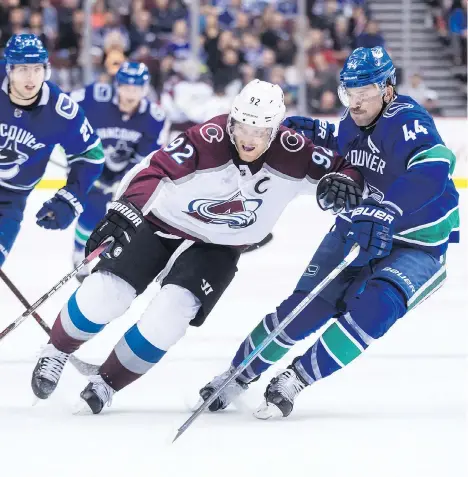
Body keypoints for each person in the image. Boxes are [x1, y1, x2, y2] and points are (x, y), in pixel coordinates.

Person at [30, 79, 363, 414]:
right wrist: (127, 207)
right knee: (107, 292)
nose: (248, 138)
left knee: (171, 314)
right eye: (243, 127)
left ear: (275, 131)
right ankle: (56, 350)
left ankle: (107, 382)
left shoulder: (296, 151)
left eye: (260, 131)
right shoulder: (209, 137)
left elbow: (345, 168)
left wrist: (347, 181)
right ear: (232, 119)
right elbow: (154, 168)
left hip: (220, 246)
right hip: (162, 223)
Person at [199, 46, 459, 419]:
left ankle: (296, 379)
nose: (354, 102)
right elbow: (347, 140)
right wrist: (319, 129)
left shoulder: (407, 120)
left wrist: (387, 209)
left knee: (376, 308)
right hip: (360, 226)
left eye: (364, 94)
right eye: (349, 93)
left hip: (418, 241)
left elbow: (434, 167)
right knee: (303, 307)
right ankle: (238, 375)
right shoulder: (356, 117)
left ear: (388, 90)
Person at [0, 33, 104, 267]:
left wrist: (70, 198)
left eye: (37, 69)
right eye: (23, 69)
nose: (31, 77)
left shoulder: (60, 109)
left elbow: (92, 154)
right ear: (9, 69)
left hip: (9, 201)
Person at [69, 61, 167, 281]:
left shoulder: (154, 117)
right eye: (126, 87)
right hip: (90, 162)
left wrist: (125, 181)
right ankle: (79, 253)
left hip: (125, 171)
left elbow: (147, 158)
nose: (131, 94)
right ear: (117, 85)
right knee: (93, 206)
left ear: (145, 88)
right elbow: (63, 106)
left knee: (128, 215)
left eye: (137, 88)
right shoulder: (95, 97)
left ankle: (111, 251)